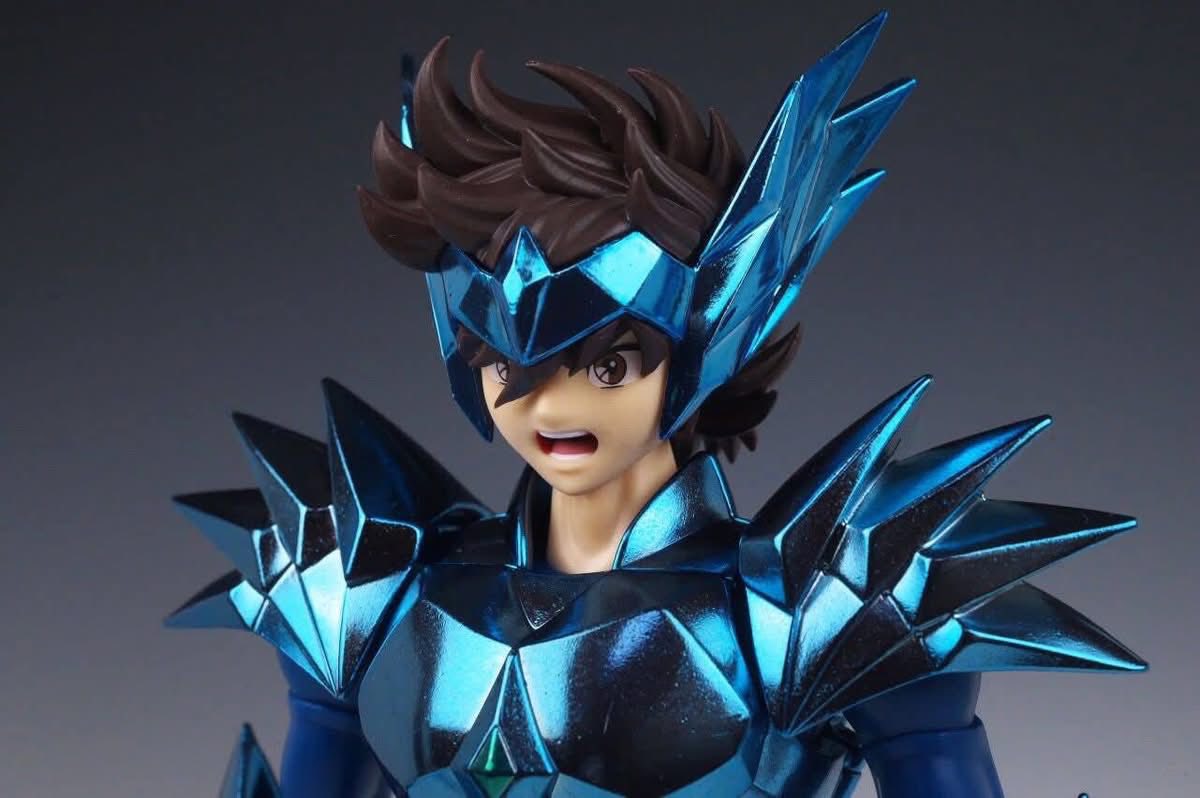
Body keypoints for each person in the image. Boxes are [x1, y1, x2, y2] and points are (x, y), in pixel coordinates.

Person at [172, 13, 1144, 798]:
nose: (548, 404)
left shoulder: (817, 609)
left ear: (703, 346)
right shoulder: (366, 583)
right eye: (506, 363)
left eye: (607, 365)